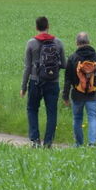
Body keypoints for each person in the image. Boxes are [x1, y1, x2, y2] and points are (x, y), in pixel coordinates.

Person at [21, 16, 64, 148]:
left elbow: (27, 67)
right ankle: (48, 142)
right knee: (51, 112)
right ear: (48, 26)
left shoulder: (31, 43)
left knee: (32, 109)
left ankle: (35, 140)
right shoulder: (58, 42)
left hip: (35, 82)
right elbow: (64, 64)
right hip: (53, 82)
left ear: (36, 27)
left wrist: (23, 86)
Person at [62, 31, 96, 147]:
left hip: (77, 94)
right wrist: (94, 81)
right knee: (92, 118)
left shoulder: (72, 58)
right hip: (93, 93)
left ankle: (79, 144)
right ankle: (92, 143)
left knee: (77, 119)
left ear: (77, 43)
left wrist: (65, 96)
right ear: (89, 42)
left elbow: (68, 79)